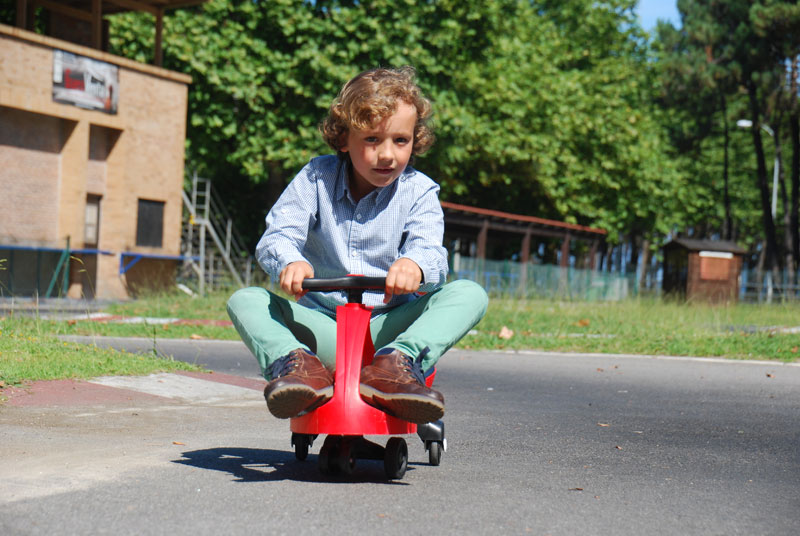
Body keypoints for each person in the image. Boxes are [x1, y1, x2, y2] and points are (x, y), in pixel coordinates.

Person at [227, 66, 488, 424]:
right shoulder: (316, 178)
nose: (387, 155)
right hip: (325, 330)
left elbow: (431, 251)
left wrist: (415, 265)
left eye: (401, 140)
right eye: (371, 140)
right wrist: (290, 262)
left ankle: (398, 365)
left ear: (416, 139)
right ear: (343, 138)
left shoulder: (419, 191)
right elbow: (278, 235)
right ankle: (299, 368)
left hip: (385, 331)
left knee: (469, 294)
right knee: (245, 300)